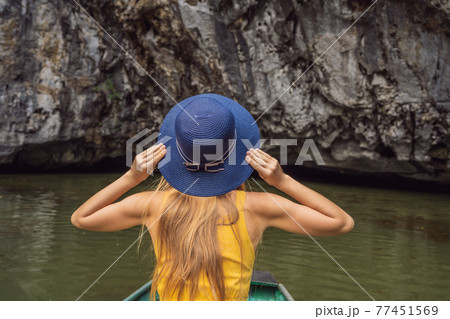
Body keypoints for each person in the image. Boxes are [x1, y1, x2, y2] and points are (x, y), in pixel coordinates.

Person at [71, 93, 354, 301]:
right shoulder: (259, 207)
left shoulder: (151, 204)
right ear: (237, 154)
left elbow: (82, 218)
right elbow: (341, 223)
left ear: (174, 153)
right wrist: (282, 180)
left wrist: (132, 177)